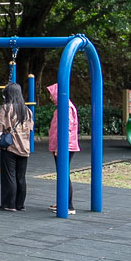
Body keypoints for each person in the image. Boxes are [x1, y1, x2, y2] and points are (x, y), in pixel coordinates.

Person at [0, 82, 34, 211]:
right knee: (21, 177)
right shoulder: (27, 111)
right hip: (24, 147)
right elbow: (30, 128)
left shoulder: (6, 109)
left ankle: (9, 204)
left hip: (10, 146)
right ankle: (20, 204)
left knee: (9, 176)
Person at [46, 83, 79, 215]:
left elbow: (66, 127)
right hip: (63, 145)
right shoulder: (63, 107)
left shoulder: (65, 108)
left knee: (64, 174)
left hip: (65, 146)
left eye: (51, 95)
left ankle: (68, 205)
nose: (50, 98)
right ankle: (62, 201)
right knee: (62, 174)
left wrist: (61, 146)